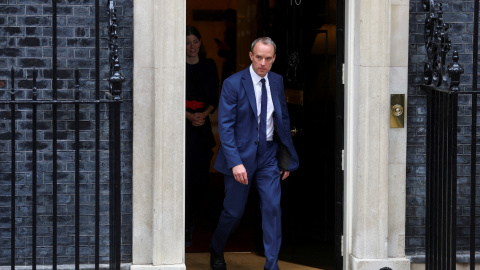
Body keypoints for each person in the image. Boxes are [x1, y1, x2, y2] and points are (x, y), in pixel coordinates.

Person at [210, 37, 299, 270]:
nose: (262, 63)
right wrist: (235, 163)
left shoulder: (277, 81)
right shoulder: (233, 83)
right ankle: (216, 247)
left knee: (272, 208)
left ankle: (272, 265)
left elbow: (283, 120)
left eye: (268, 58)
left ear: (274, 59)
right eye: (258, 57)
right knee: (234, 212)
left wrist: (286, 159)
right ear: (250, 56)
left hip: (268, 154)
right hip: (240, 156)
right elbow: (225, 127)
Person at [185, 25, 219, 247]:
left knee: (201, 178)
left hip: (203, 125)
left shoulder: (209, 66)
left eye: (195, 41)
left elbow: (214, 97)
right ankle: (186, 223)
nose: (192, 47)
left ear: (201, 43)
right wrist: (188, 116)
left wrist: (204, 114)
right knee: (185, 177)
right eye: (187, 43)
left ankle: (194, 216)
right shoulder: (176, 66)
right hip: (184, 127)